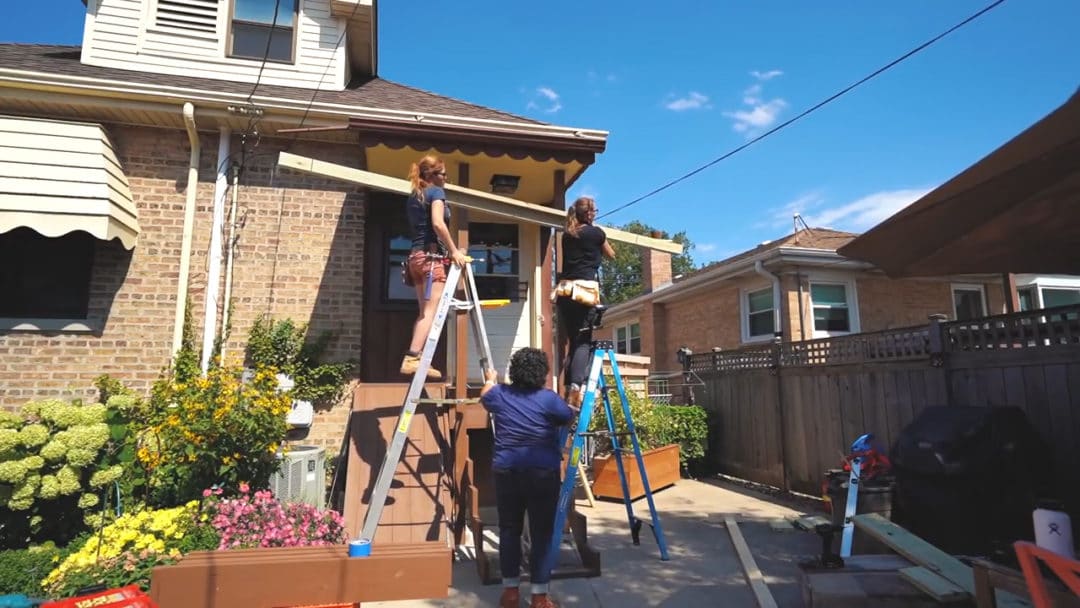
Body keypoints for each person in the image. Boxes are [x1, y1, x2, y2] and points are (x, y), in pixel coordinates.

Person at [480, 348, 577, 608]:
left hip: (507, 472)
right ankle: (538, 597)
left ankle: (511, 594)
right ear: (542, 373)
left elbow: (485, 395)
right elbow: (568, 416)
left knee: (509, 530)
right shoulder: (549, 399)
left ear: (515, 371)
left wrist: (490, 377)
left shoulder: (500, 394)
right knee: (541, 534)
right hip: (542, 473)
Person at [400, 155, 469, 379]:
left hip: (416, 259)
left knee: (424, 314)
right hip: (431, 259)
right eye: (443, 174)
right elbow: (438, 224)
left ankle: (418, 359)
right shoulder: (436, 192)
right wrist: (454, 251)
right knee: (431, 313)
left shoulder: (414, 196)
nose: (446, 178)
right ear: (432, 175)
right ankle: (412, 358)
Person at [556, 196, 615, 405]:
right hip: (584, 291)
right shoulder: (596, 233)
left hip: (565, 291)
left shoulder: (568, 234)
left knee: (574, 340)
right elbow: (611, 254)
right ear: (589, 213)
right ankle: (575, 388)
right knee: (583, 341)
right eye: (595, 211)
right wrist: (596, 228)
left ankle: (568, 388)